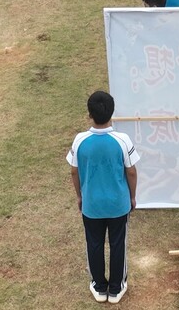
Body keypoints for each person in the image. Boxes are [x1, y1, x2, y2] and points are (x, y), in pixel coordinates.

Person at [68, 90, 138, 304]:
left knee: (94, 244)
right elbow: (131, 172)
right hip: (118, 205)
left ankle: (99, 286)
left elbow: (73, 171)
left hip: (92, 206)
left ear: (89, 114)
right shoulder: (122, 140)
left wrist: (80, 197)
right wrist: (132, 197)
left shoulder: (80, 140)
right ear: (112, 113)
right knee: (118, 244)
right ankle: (116, 289)